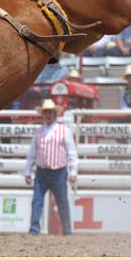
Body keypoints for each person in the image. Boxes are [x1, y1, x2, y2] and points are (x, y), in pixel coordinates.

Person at [25, 99, 78, 236]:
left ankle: (67, 230)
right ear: (43, 115)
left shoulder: (64, 130)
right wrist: (27, 171)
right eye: (46, 112)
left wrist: (73, 171)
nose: (49, 115)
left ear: (55, 114)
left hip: (58, 171)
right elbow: (32, 153)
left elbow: (71, 152)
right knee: (37, 201)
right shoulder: (39, 132)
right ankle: (34, 229)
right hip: (42, 171)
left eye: (51, 112)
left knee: (62, 202)